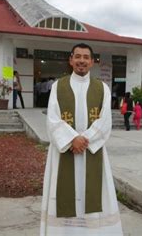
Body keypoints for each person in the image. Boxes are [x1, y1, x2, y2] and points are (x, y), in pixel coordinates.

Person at [40, 43, 123, 235]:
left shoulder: (102, 88)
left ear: (92, 62)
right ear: (71, 60)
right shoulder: (57, 87)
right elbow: (52, 118)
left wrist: (84, 139)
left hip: (91, 151)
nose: (82, 61)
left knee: (93, 195)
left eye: (86, 57)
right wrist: (71, 140)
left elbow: (105, 120)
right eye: (78, 57)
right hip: (64, 153)